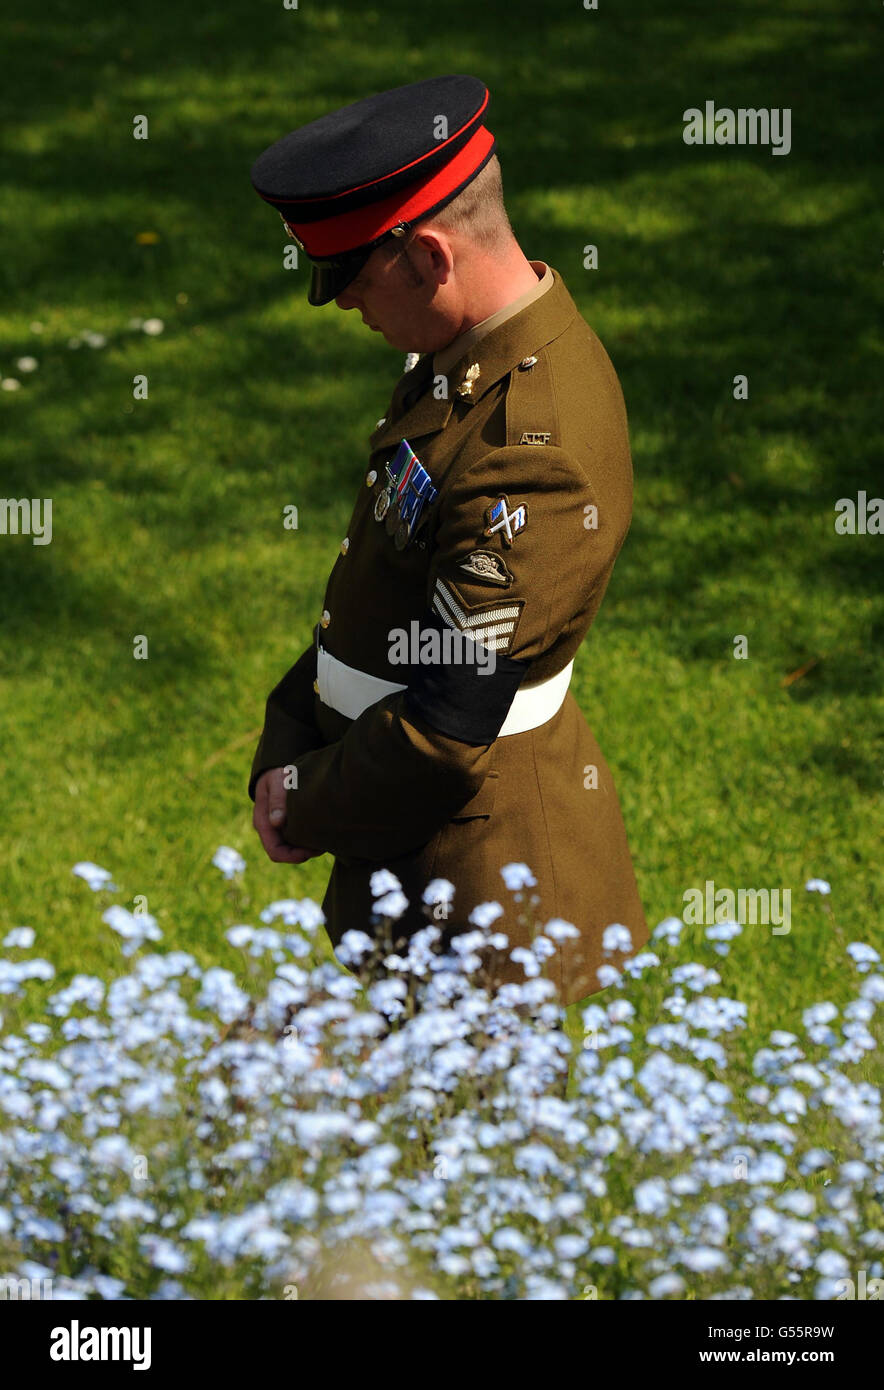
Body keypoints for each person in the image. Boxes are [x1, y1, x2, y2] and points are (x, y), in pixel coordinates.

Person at [248, 75, 647, 1005]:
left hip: (477, 902)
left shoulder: (528, 450)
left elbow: (446, 722)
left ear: (429, 256)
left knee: (454, 1146)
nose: (341, 305)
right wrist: (289, 729)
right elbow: (384, 588)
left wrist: (306, 796)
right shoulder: (467, 362)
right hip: (414, 847)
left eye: (353, 280)